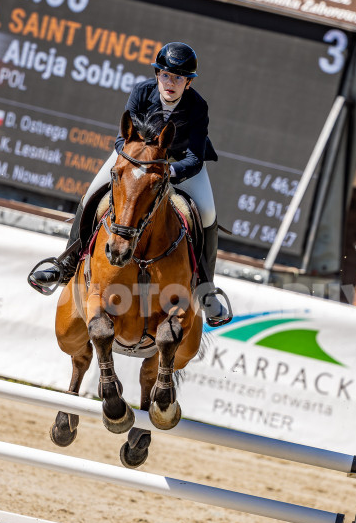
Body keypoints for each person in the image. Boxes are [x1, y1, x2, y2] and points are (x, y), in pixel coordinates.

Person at [27, 41, 231, 327]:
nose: (170, 83)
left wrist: (166, 173)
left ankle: (206, 290)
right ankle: (66, 264)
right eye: (166, 75)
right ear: (158, 74)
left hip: (178, 163)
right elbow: (123, 138)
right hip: (136, 159)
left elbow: (196, 157)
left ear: (189, 82)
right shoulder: (141, 92)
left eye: (179, 78)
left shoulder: (198, 106)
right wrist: (138, 164)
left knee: (206, 214)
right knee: (91, 196)